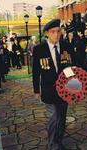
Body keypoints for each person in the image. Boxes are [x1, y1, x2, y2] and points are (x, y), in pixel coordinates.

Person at [32, 19, 71, 150]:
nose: (56, 34)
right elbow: (36, 71)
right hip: (48, 90)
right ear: (47, 33)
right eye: (53, 32)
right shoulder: (39, 49)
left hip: (65, 90)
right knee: (54, 117)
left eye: (58, 31)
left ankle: (58, 139)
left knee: (62, 117)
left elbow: (73, 66)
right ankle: (52, 144)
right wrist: (36, 90)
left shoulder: (66, 46)